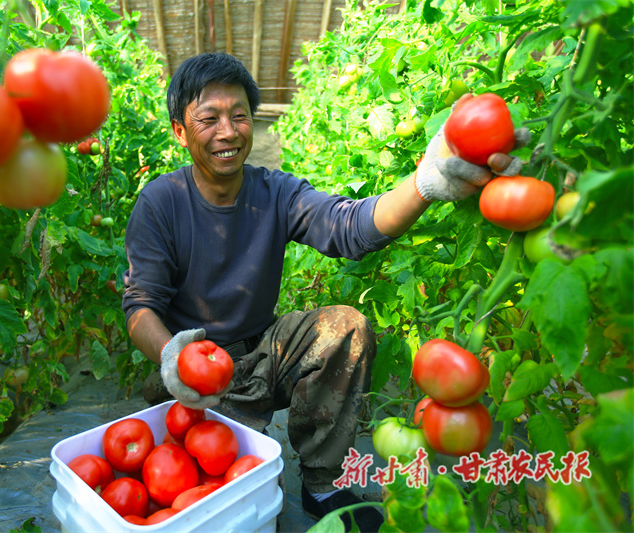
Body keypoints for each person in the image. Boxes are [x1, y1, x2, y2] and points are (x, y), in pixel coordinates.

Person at [122, 53, 527, 531]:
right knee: (226, 502)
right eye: (208, 119)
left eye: (239, 116)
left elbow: (350, 227)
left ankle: (321, 481)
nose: (228, 132)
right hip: (195, 380)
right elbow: (140, 305)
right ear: (179, 131)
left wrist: (426, 182)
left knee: (346, 328)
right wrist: (172, 355)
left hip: (264, 352)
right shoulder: (160, 203)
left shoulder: (276, 192)